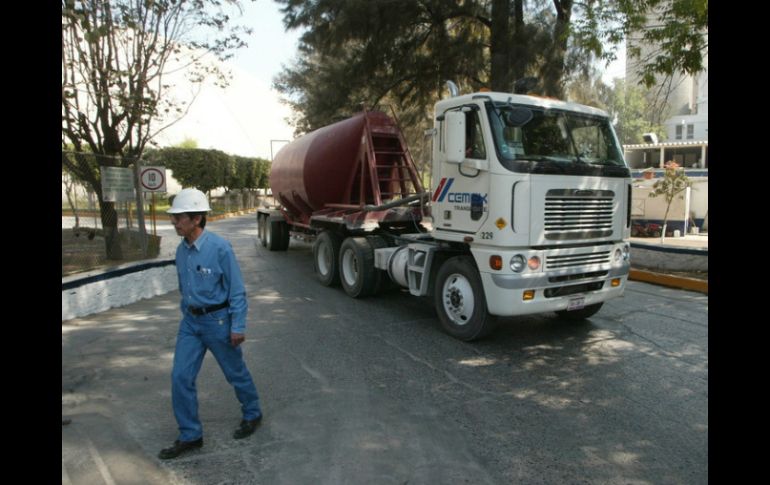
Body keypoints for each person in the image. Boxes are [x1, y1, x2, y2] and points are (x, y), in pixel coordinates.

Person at [158, 188, 263, 460]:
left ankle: (252, 414)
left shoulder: (220, 248)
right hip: (191, 323)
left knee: (235, 373)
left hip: (218, 322)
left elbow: (237, 290)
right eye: (175, 217)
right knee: (180, 377)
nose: (174, 222)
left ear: (196, 219)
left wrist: (237, 325)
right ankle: (191, 434)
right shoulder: (181, 251)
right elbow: (185, 288)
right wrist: (188, 313)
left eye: (179, 218)